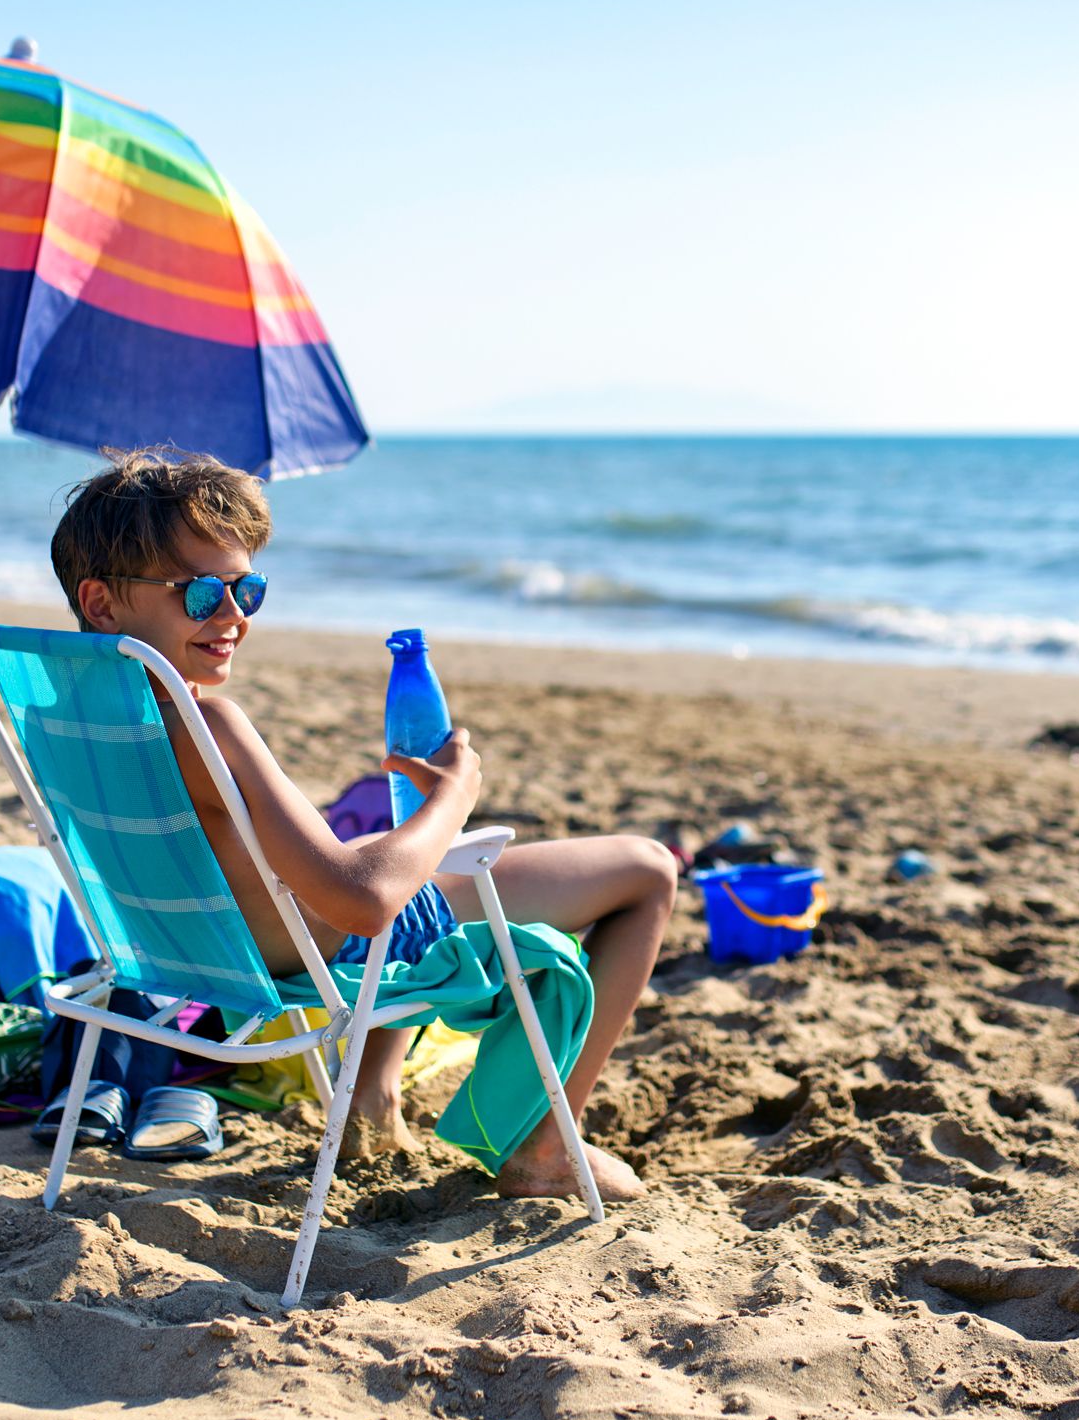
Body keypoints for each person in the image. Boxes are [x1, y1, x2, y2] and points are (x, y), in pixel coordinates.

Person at [48, 448, 670, 1202]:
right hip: (320, 947)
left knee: (384, 852)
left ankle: (373, 1096)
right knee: (646, 871)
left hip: (187, 954)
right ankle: (546, 1145)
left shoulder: (66, 717)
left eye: (249, 588)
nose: (234, 616)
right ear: (103, 602)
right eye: (202, 590)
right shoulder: (205, 719)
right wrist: (453, 798)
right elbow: (366, 903)